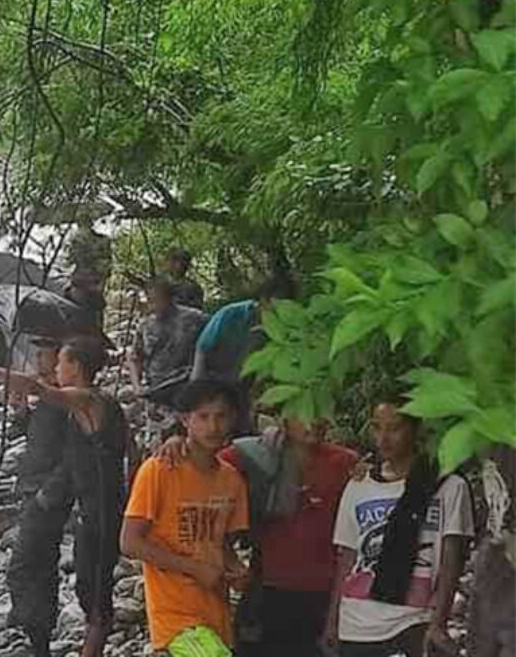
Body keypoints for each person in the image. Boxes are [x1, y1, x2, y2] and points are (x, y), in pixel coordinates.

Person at [0, 334, 127, 657]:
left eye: (61, 361)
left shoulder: (90, 400)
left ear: (76, 367)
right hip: (90, 506)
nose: (56, 366)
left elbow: (38, 388)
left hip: (102, 510)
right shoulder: (90, 405)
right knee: (86, 586)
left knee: (96, 593)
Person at [155, 416, 359, 656]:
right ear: (284, 417)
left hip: (323, 597)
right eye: (302, 412)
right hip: (267, 592)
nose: (312, 420)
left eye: (320, 410)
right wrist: (179, 443)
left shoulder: (345, 464)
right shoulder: (253, 456)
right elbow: (204, 464)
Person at [324, 400, 474, 657]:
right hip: (357, 622)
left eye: (395, 428)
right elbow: (348, 558)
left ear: (415, 430)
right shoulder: (358, 486)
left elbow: (453, 560)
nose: (384, 438)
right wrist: (333, 620)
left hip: (412, 621)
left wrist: (438, 623)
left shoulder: (448, 485)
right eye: (377, 428)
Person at [120, 379, 250, 656]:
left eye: (221, 417)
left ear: (233, 420)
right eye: (203, 417)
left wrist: (236, 569)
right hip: (174, 617)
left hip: (217, 613)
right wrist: (194, 568)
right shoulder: (159, 470)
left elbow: (220, 542)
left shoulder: (232, 480)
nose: (213, 427)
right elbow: (130, 542)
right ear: (185, 419)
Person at [5, 336, 73, 657]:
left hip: (45, 492)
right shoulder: (50, 398)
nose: (43, 361)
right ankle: (38, 633)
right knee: (41, 565)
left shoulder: (67, 400)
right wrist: (21, 413)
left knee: (23, 567)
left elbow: (74, 454)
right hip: (33, 485)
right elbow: (36, 435)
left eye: (47, 355)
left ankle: (34, 626)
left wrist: (50, 492)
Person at [190, 277, 295, 436]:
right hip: (212, 381)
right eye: (276, 306)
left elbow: (269, 369)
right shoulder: (230, 314)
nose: (279, 312)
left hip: (243, 390)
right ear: (263, 300)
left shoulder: (281, 329)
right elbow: (203, 348)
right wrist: (196, 386)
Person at [129, 277, 208, 470]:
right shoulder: (145, 325)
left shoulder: (195, 319)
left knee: (186, 447)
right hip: (155, 396)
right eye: (150, 300)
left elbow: (212, 344)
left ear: (170, 297)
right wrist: (137, 385)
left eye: (158, 299)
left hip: (185, 392)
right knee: (155, 450)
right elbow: (135, 357)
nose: (154, 305)